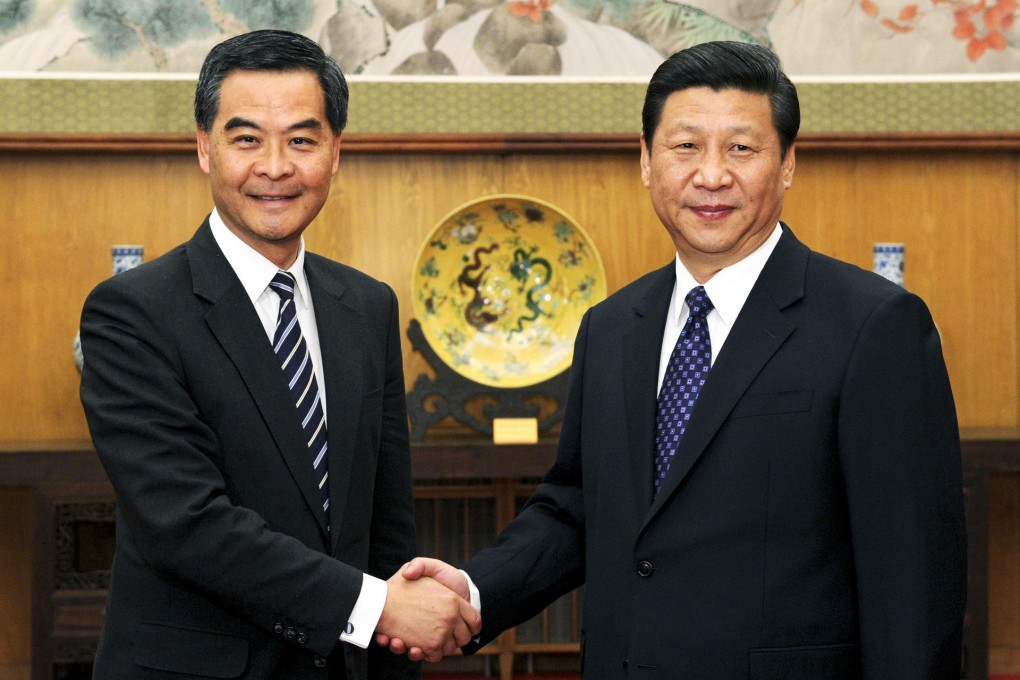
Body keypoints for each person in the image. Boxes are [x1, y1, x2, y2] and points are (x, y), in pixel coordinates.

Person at [382, 40, 967, 678]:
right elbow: (577, 506)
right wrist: (472, 591)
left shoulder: (873, 325)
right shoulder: (610, 328)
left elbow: (913, 584)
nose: (711, 175)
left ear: (788, 163)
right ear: (646, 160)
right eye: (685, 146)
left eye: (741, 148)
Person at [78, 29, 479, 680]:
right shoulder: (133, 312)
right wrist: (378, 608)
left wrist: (395, 640)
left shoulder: (367, 305)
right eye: (245, 140)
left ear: (335, 151)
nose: (274, 166)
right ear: (204, 149)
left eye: (301, 139)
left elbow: (386, 525)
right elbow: (186, 525)